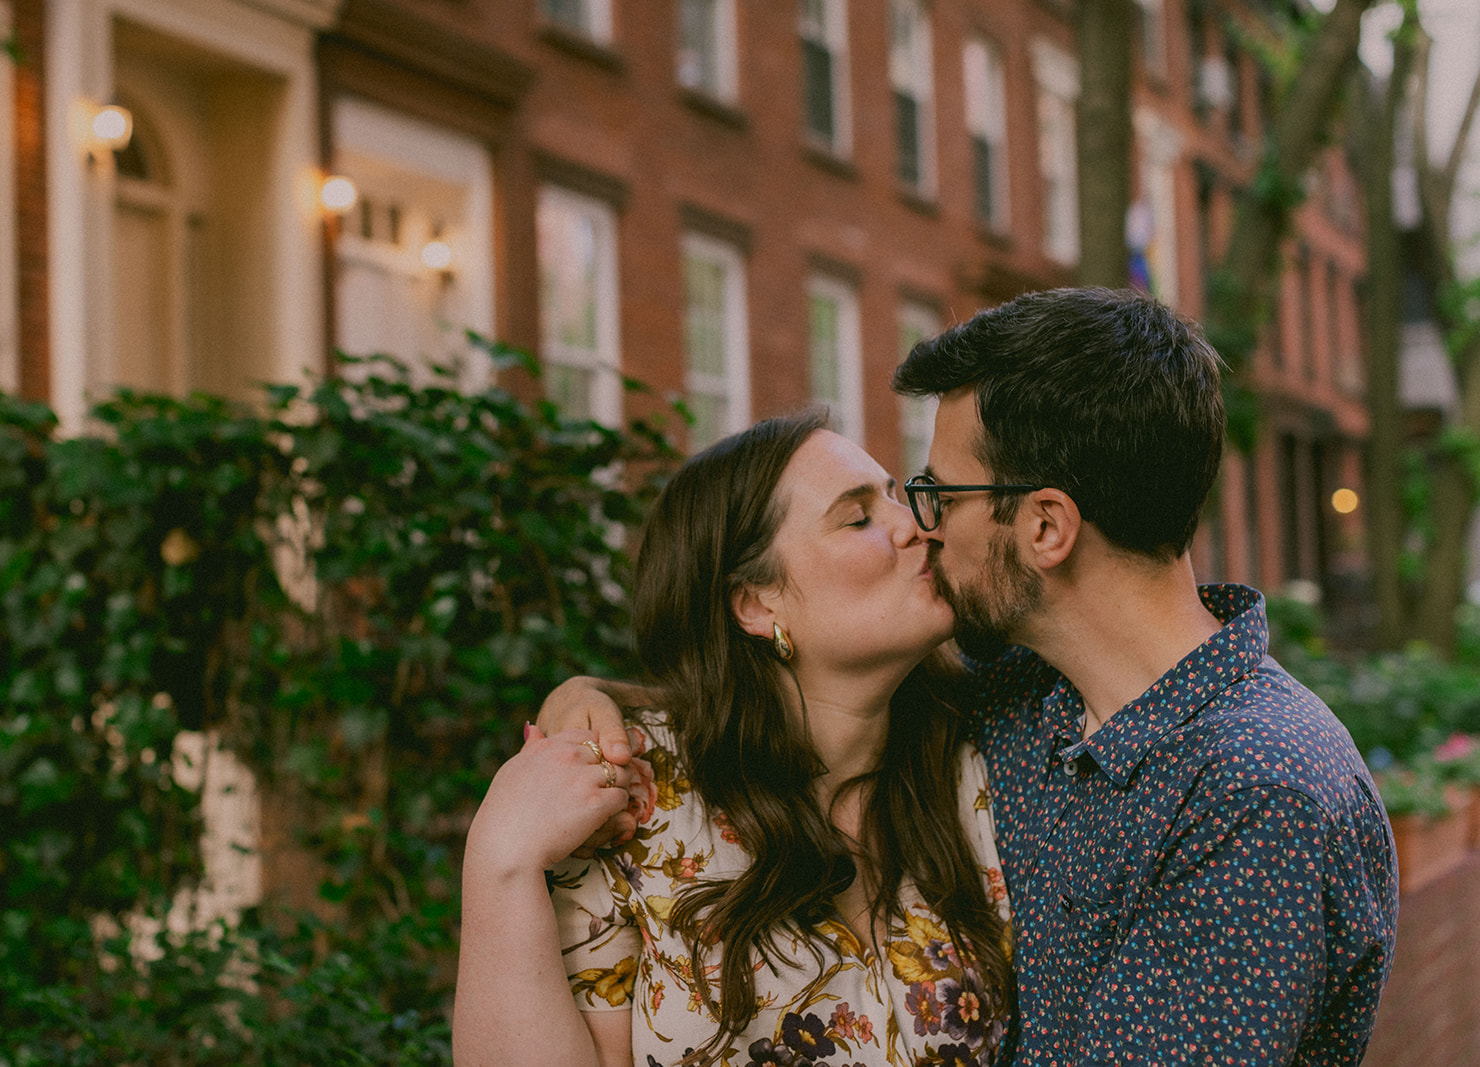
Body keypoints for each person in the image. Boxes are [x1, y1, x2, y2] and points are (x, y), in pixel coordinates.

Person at [541, 288, 1399, 1065]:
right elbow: (783, 695)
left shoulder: (1259, 794)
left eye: (939, 496)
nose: (923, 528)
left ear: (1045, 528)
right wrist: (593, 705)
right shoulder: (1024, 695)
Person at [453, 412, 1014, 1067]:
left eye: (893, 495)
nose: (916, 524)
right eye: (858, 517)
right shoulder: (636, 798)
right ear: (756, 604)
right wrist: (500, 858)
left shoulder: (990, 755)